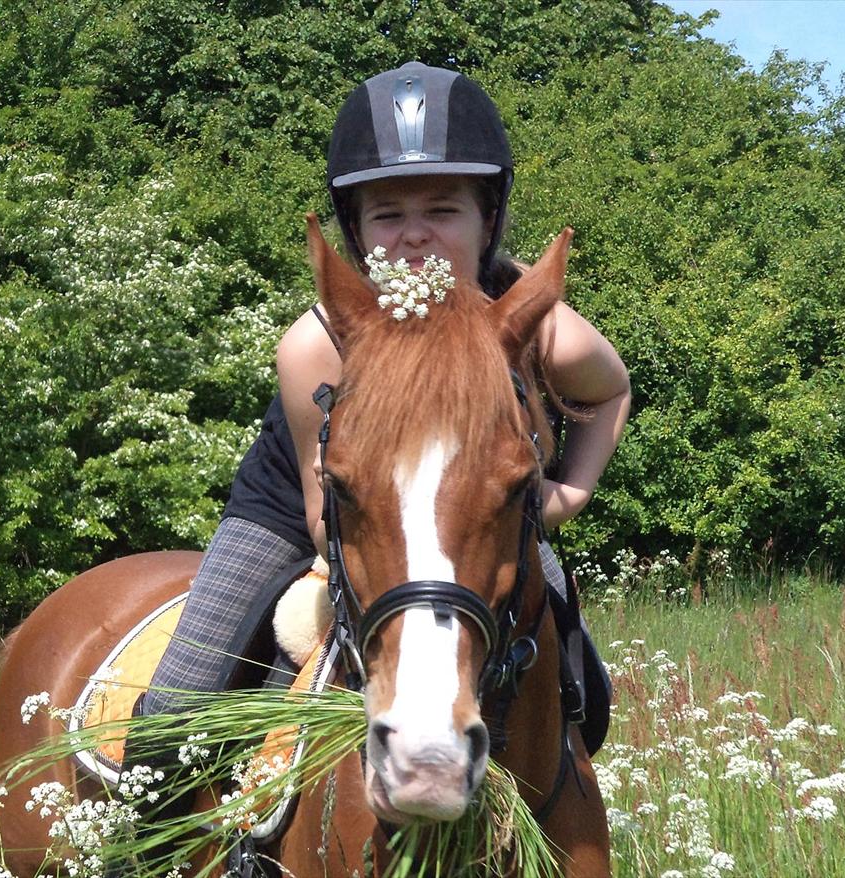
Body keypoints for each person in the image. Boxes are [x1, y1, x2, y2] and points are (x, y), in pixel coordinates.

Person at [141, 62, 630, 753]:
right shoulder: (314, 345)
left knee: (585, 689)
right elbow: (322, 519)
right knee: (170, 715)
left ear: (488, 219)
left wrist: (570, 492)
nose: (414, 236)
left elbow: (609, 389)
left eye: (442, 210)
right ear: (354, 228)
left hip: (468, 517)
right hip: (307, 512)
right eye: (388, 215)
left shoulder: (539, 323)